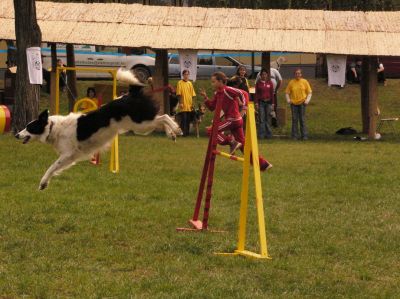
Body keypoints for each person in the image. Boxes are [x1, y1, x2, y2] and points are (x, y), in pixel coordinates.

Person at [200, 72, 272, 172]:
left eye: (213, 82)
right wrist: (205, 98)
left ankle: (231, 141)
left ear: (221, 82)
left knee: (211, 131)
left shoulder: (227, 90)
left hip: (233, 119)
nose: (212, 84)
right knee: (243, 147)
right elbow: (212, 107)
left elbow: (244, 93)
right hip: (234, 122)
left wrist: (244, 107)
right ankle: (263, 164)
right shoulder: (218, 94)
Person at [285, 69, 312, 140]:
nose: (297, 75)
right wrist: (288, 100)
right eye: (296, 73)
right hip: (293, 104)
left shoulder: (305, 81)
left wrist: (307, 100)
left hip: (302, 103)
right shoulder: (291, 82)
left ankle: (304, 136)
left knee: (302, 119)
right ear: (294, 75)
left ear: (301, 74)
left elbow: (309, 92)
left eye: (299, 73)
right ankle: (294, 136)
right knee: (294, 120)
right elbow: (287, 92)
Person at [255, 69, 275, 139]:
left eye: (265, 74)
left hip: (269, 103)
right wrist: (256, 103)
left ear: (267, 75)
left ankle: (269, 135)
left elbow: (272, 94)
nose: (264, 76)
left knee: (268, 119)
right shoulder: (258, 83)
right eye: (262, 74)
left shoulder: (270, 83)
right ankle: (261, 135)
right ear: (260, 75)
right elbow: (256, 94)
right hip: (261, 103)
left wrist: (273, 103)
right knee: (261, 119)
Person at [176, 70, 196, 136]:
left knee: (188, 120)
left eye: (187, 74)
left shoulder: (190, 83)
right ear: (183, 75)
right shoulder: (180, 83)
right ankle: (182, 133)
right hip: (183, 104)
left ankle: (187, 133)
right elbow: (178, 94)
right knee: (183, 119)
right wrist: (180, 102)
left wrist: (192, 103)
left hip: (189, 105)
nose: (186, 76)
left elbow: (193, 95)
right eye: (185, 74)